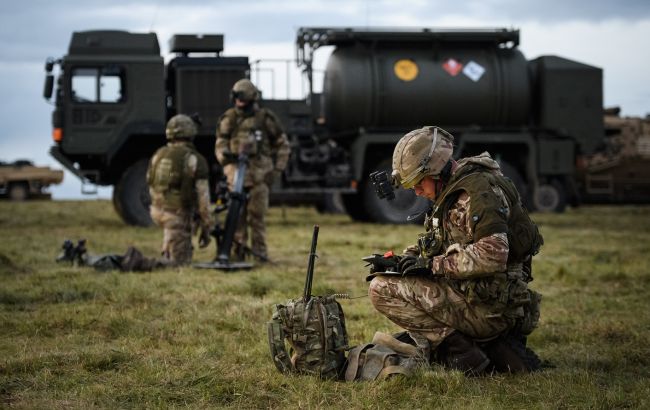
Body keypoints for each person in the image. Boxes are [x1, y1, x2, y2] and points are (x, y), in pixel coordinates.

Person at [367, 126, 544, 375]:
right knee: (388, 279)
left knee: (380, 290)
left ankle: (462, 353)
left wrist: (432, 266)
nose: (417, 191)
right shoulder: (452, 191)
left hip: (490, 308)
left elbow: (493, 256)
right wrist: (401, 262)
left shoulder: (476, 193)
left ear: (435, 172)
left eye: (418, 182)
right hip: (480, 298)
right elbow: (437, 243)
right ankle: (480, 347)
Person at [214, 79, 290, 261]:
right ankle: (238, 254)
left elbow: (282, 145)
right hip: (236, 179)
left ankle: (259, 255)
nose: (239, 101)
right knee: (236, 218)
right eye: (237, 97)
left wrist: (276, 170)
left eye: (243, 97)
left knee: (257, 219)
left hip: (259, 177)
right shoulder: (229, 118)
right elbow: (220, 143)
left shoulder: (264, 118)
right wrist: (227, 160)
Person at [147, 114, 212, 265]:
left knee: (172, 238)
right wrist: (206, 227)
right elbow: (204, 200)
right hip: (177, 215)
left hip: (157, 210)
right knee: (180, 264)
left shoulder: (159, 154)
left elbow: (150, 182)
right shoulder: (194, 158)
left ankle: (167, 251)